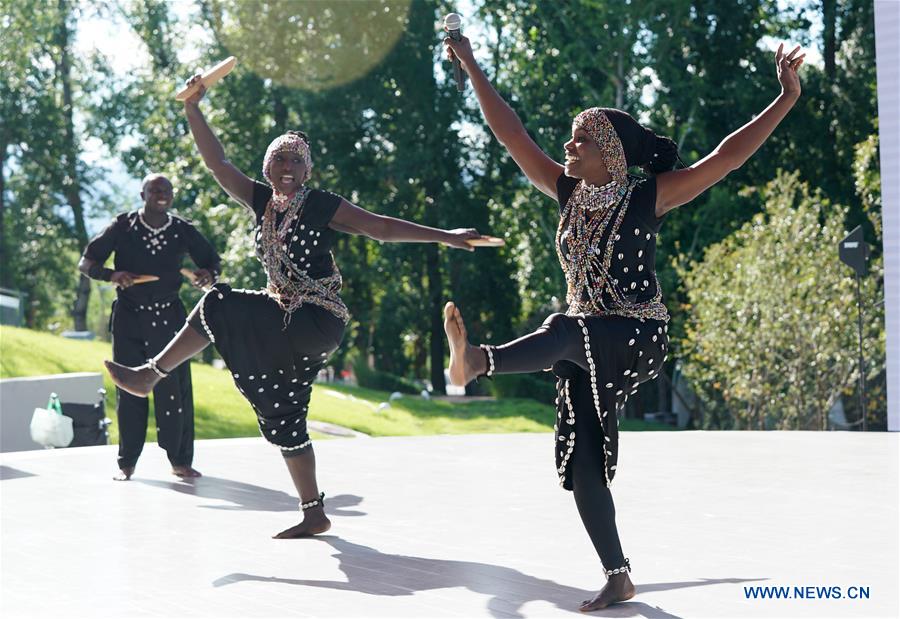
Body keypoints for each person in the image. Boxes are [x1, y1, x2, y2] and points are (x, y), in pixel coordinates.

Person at [442, 32, 804, 611]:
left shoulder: (648, 196)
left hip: (637, 335)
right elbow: (509, 131)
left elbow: (726, 158)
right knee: (583, 468)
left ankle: (479, 362)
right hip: (584, 346)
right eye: (571, 136)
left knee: (560, 327)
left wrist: (785, 97)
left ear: (611, 150)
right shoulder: (566, 193)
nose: (568, 144)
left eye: (582, 138)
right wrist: (473, 64)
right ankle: (619, 574)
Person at [105, 75, 489, 538]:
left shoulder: (322, 204)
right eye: (279, 159)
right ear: (268, 168)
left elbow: (380, 229)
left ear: (308, 171)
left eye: (296, 161)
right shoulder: (261, 200)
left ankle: (150, 374)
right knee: (284, 412)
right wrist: (192, 106)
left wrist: (446, 236)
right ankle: (313, 511)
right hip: (282, 320)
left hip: (315, 319)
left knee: (218, 303)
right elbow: (217, 163)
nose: (287, 166)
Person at [79, 173, 221, 481]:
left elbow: (213, 263)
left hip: (171, 319)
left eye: (166, 189)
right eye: (154, 189)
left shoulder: (183, 230)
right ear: (142, 194)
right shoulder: (122, 227)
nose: (161, 194)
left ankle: (180, 461)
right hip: (129, 317)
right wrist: (112, 276)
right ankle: (126, 463)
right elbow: (87, 263)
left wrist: (205, 275)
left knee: (175, 389)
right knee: (129, 387)